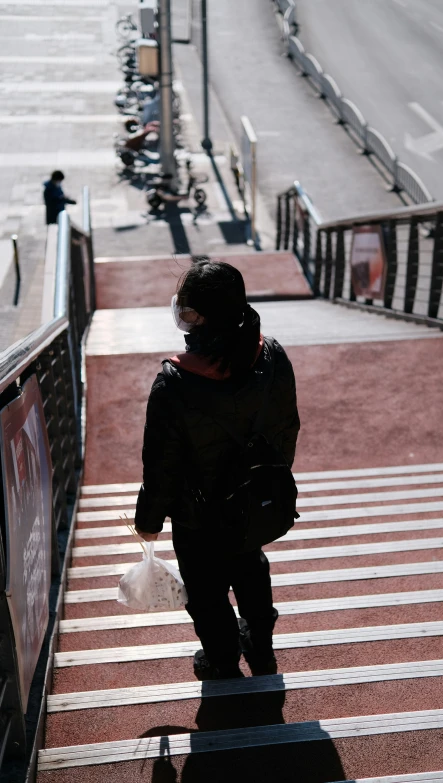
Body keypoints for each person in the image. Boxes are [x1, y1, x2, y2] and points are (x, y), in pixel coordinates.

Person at [134, 257, 300, 681]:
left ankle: (222, 659)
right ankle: (261, 647)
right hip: (254, 500)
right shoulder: (272, 357)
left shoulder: (173, 382)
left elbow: (161, 464)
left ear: (199, 318)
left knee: (206, 593)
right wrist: (267, 482)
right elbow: (286, 428)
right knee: (251, 566)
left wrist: (148, 521)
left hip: (198, 515)